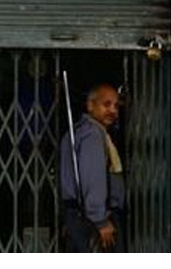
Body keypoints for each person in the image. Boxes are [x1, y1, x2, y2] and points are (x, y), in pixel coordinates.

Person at [60, 83, 125, 252]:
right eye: (106, 104)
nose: (113, 111)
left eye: (116, 106)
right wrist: (101, 221)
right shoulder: (93, 135)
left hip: (77, 215)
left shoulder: (77, 132)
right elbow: (93, 179)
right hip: (93, 220)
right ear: (90, 105)